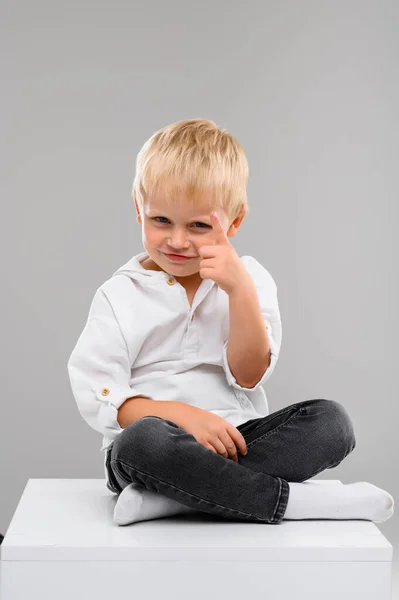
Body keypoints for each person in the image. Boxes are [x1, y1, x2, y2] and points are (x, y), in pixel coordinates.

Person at [67, 118, 394, 526]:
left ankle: (177, 498)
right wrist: (182, 416)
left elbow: (250, 374)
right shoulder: (119, 295)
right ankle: (290, 503)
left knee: (332, 424)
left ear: (234, 221)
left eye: (199, 226)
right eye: (161, 221)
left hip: (238, 441)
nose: (178, 241)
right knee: (141, 444)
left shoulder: (249, 279)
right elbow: (101, 391)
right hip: (154, 447)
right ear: (139, 207)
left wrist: (239, 292)